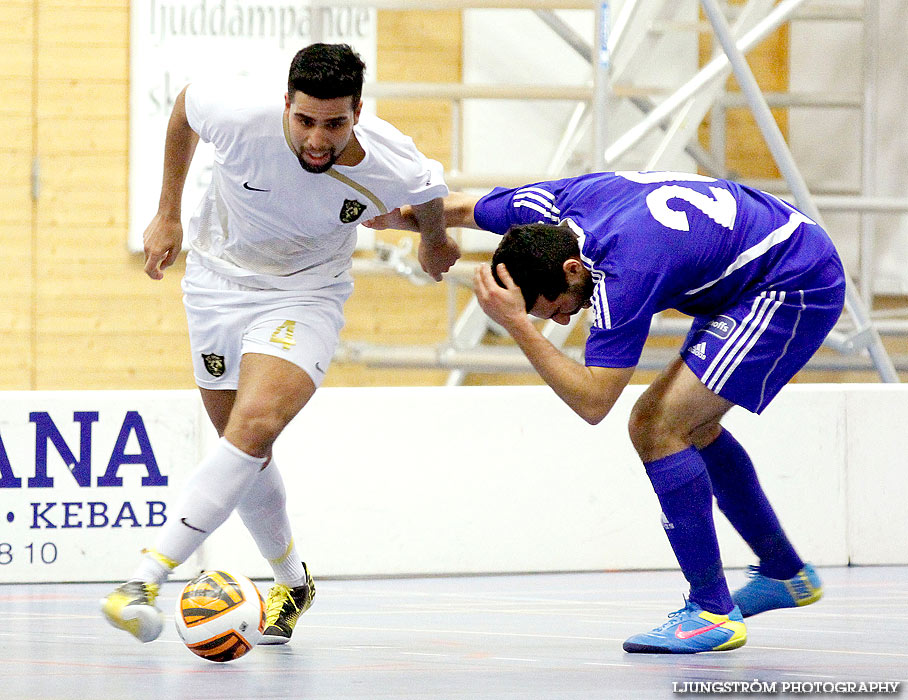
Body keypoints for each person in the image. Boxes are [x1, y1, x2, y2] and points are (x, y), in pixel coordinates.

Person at [365, 170, 842, 654]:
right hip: (768, 251)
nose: (567, 319)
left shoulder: (623, 271)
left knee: (656, 426)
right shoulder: (545, 213)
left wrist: (517, 325)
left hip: (793, 279)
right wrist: (402, 222)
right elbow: (465, 208)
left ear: (573, 269)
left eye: (558, 308)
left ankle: (713, 613)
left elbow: (594, 402)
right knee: (684, 423)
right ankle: (783, 572)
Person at [101, 43, 460, 645]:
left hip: (306, 294)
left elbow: (429, 190)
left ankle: (143, 578)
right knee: (242, 444)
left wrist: (433, 240)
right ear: (285, 103)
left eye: (336, 124)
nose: (319, 140)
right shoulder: (240, 114)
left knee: (255, 423)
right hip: (215, 284)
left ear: (357, 111)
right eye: (306, 121)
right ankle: (292, 579)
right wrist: (167, 213)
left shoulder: (388, 157)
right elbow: (185, 108)